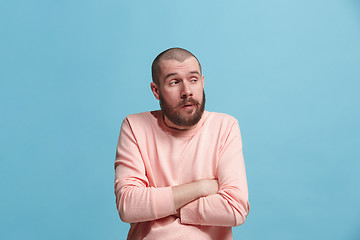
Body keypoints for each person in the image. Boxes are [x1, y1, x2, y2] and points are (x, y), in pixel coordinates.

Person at [114, 47, 250, 240]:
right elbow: (128, 206)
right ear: (156, 91)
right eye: (174, 82)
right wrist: (201, 188)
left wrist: (160, 207)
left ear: (202, 83)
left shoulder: (225, 127)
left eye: (193, 80)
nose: (187, 91)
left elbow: (235, 208)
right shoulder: (135, 126)